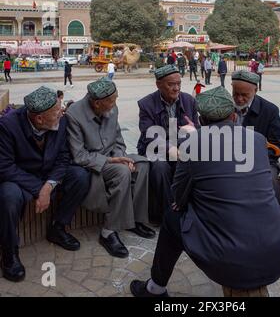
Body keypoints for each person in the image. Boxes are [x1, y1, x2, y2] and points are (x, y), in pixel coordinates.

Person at [130, 86, 280, 297]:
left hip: (230, 262)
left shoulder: (192, 145)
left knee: (172, 218)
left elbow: (178, 198)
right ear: (234, 116)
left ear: (201, 120)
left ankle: (155, 288)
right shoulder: (257, 140)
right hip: (278, 251)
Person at [0, 86, 90, 282]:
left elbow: (64, 158)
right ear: (39, 119)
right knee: (8, 196)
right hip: (21, 180)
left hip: (49, 176)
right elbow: (5, 167)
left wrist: (48, 187)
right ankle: (9, 253)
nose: (62, 113)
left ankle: (58, 228)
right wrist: (38, 188)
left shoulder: (60, 121)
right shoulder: (8, 125)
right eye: (57, 113)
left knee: (80, 176)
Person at [66, 78, 155, 258]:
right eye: (111, 101)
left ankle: (134, 220)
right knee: (122, 172)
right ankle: (108, 232)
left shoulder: (111, 108)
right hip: (94, 164)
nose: (115, 104)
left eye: (116, 99)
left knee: (142, 165)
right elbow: (79, 155)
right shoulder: (73, 115)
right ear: (97, 103)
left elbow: (118, 140)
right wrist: (112, 161)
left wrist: (121, 157)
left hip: (114, 158)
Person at [137, 65, 199, 225]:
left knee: (196, 164)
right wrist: (172, 149)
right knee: (160, 167)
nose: (176, 88)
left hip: (181, 148)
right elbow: (151, 135)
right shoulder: (146, 104)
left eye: (179, 83)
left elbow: (197, 129)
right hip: (155, 150)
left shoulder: (189, 100)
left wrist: (194, 131)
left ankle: (191, 209)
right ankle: (169, 215)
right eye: (171, 84)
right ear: (158, 85)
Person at [231, 70, 280, 207]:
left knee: (271, 180)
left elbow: (278, 146)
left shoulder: (270, 110)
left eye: (244, 95)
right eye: (236, 94)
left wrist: (255, 158)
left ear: (255, 90)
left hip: (261, 161)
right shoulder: (225, 107)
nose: (239, 99)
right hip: (229, 159)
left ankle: (278, 221)